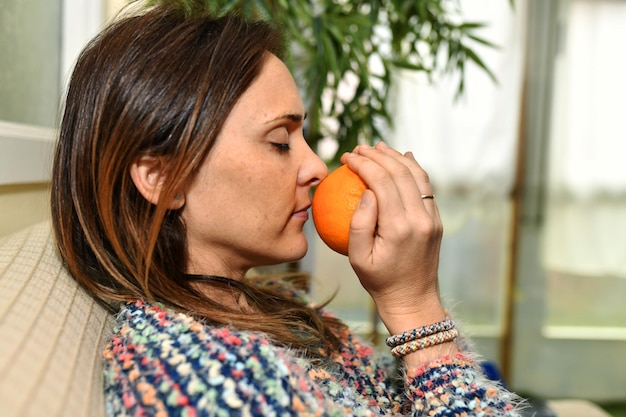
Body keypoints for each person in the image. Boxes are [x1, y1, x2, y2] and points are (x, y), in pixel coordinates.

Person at [51, 2, 523, 416]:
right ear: (160, 178)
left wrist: (412, 309)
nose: (317, 167)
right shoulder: (198, 376)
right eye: (280, 141)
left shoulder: (271, 305)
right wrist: (414, 308)